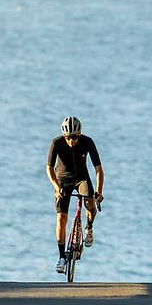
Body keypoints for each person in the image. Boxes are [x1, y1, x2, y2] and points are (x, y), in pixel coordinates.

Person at [46, 116, 104, 274]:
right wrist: (57, 187)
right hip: (62, 180)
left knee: (90, 205)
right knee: (61, 218)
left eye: (75, 137)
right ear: (64, 137)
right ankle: (61, 257)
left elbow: (98, 169)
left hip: (81, 179)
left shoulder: (88, 142)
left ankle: (89, 228)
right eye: (69, 138)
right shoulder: (56, 143)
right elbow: (49, 169)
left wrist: (99, 191)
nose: (72, 141)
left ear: (80, 134)